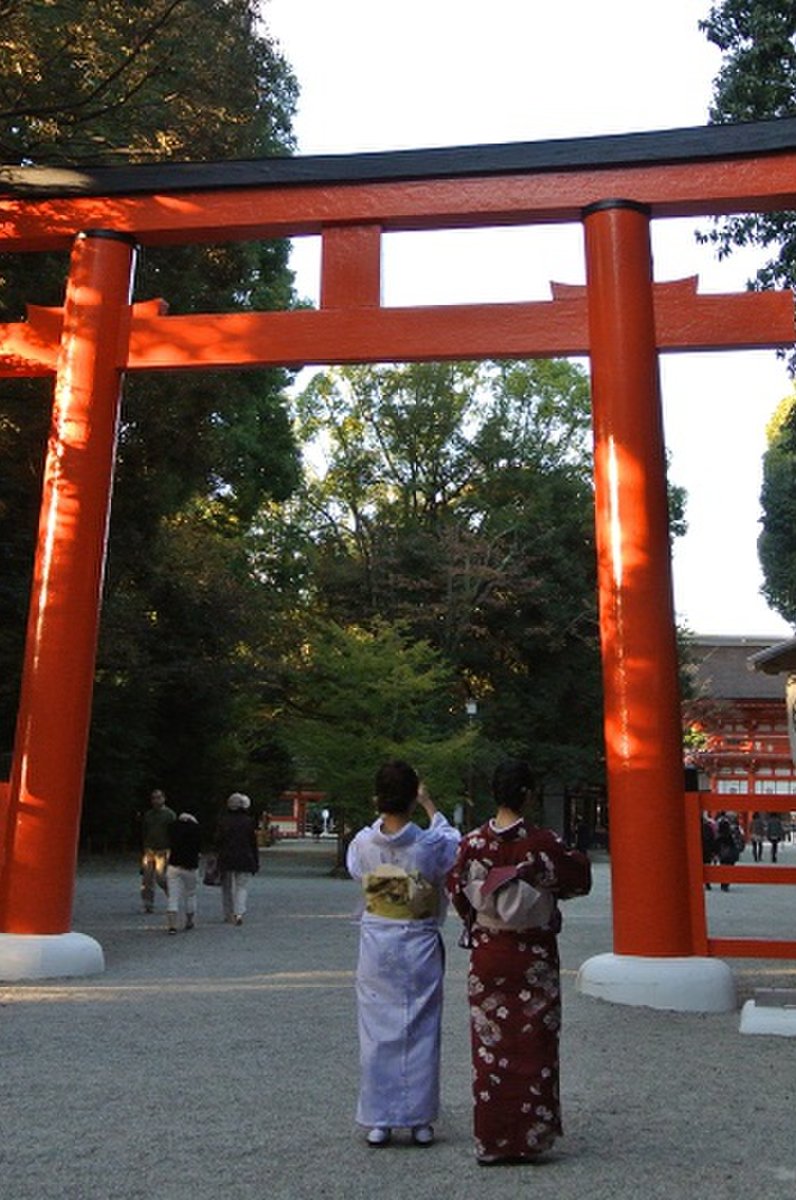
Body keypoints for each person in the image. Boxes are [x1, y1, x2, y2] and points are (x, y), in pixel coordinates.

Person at [447, 759, 591, 1166]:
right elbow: (578, 877)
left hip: (490, 954)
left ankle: (492, 1140)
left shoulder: (472, 843)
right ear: (528, 794)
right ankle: (530, 1138)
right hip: (533, 958)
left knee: (490, 1047)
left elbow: (458, 892)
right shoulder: (543, 843)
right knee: (535, 1044)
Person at [346, 760, 460, 1149]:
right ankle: (419, 1120)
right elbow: (454, 845)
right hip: (418, 942)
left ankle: (379, 1118)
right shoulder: (428, 845)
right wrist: (430, 807)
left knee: (377, 1031)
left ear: (377, 798)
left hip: (378, 941)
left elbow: (354, 870)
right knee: (421, 1027)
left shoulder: (362, 843)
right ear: (413, 798)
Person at [215, 792, 259, 926]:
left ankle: (227, 913)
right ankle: (239, 913)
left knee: (226, 887)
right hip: (244, 857)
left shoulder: (222, 820)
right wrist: (255, 861)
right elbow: (253, 843)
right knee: (241, 887)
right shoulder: (248, 821)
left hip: (226, 857)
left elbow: (217, 840)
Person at [165, 809, 201, 933]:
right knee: (190, 894)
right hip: (190, 866)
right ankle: (189, 921)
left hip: (174, 865)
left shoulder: (172, 829)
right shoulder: (196, 830)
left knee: (173, 896)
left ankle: (172, 925)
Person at [140, 788, 176, 913]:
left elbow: (174, 833)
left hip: (163, 850)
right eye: (154, 798)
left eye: (158, 797)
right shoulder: (149, 815)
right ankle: (148, 904)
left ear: (164, 798)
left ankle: (172, 898)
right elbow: (144, 831)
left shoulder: (169, 815)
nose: (156, 800)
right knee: (147, 879)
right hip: (149, 850)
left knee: (161, 878)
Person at [715, 812, 739, 890]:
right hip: (729, 854)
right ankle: (726, 883)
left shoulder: (719, 837)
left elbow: (716, 845)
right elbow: (734, 844)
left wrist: (716, 853)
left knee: (723, 868)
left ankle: (723, 883)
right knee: (729, 868)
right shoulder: (729, 836)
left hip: (722, 854)